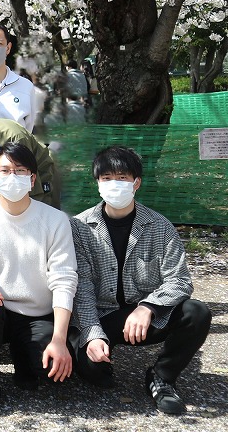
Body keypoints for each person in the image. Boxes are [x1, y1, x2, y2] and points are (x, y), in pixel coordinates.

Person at [71, 146, 211, 415]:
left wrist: (148, 307)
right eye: (107, 178)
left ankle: (162, 376)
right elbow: (82, 287)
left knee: (197, 312)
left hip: (145, 317)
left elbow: (180, 280)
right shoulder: (79, 227)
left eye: (122, 178)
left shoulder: (160, 226)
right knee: (92, 373)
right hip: (103, 315)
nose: (114, 184)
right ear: (97, 182)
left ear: (136, 183)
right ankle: (100, 359)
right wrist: (93, 334)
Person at [0, 142, 77, 420]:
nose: (13, 177)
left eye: (20, 170)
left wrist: (59, 339)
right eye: (4, 170)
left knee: (54, 373)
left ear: (32, 179)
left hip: (37, 314)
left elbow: (64, 279)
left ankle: (24, 358)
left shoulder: (55, 220)